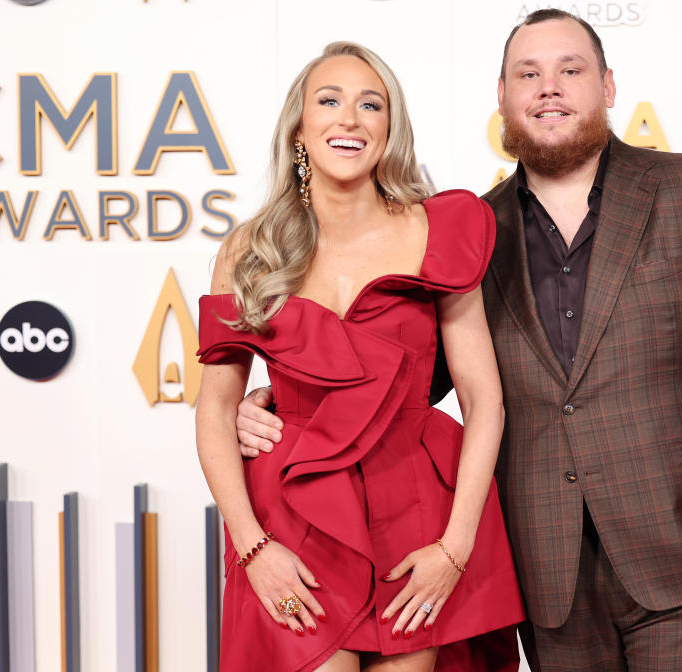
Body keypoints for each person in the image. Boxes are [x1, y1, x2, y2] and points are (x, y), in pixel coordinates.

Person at [236, 11, 682, 671]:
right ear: (502, 97)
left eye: (570, 71)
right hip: (549, 573)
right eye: (528, 75)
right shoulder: (470, 229)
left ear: (607, 85)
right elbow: (409, 374)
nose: (549, 89)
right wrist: (281, 400)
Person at [195, 41, 524, 672]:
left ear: (388, 129)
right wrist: (252, 548)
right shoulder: (249, 249)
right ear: (300, 126)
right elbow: (215, 410)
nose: (349, 118)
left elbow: (484, 400)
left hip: (418, 515)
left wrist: (456, 547)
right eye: (330, 100)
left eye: (370, 104)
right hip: (292, 516)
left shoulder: (440, 231)